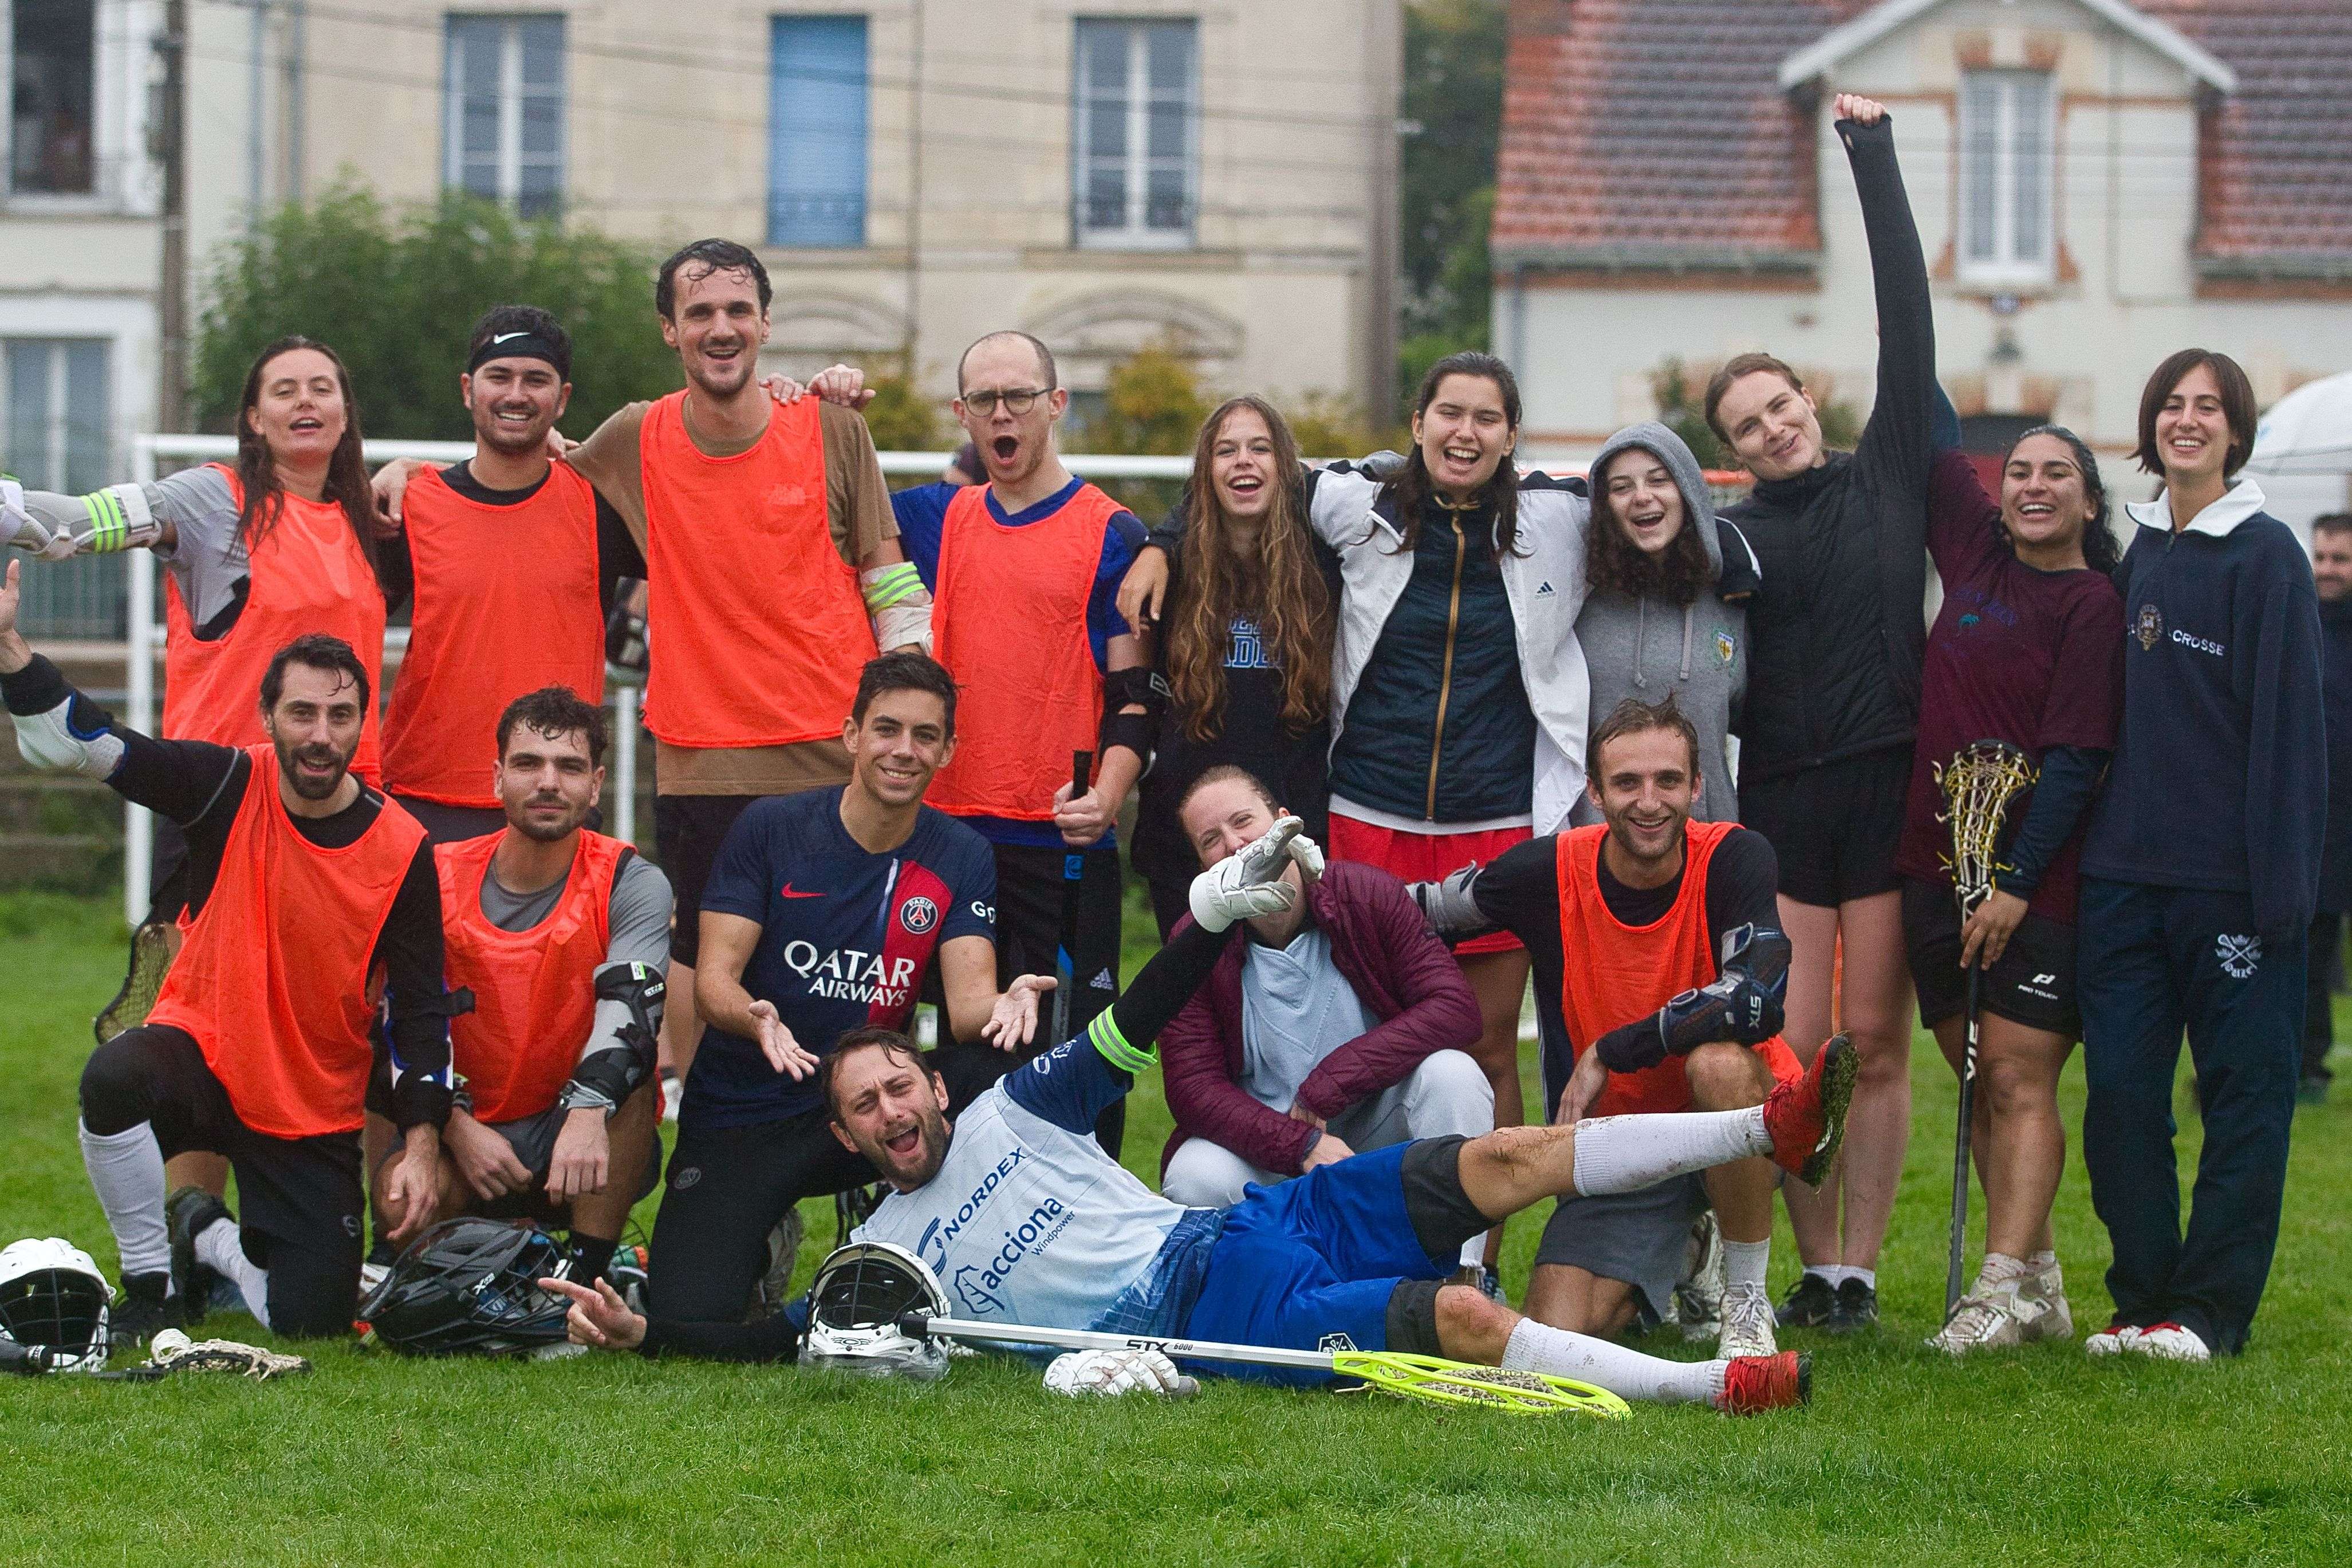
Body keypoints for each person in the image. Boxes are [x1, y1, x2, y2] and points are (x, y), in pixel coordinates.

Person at [544, 815, 1857, 1419]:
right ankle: (1710, 1387)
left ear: (933, 1088)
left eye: (898, 1082)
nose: (892, 1108)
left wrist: (1213, 914)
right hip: (1197, 1318)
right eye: (865, 1105)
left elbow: (1142, 1008)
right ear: (848, 1140)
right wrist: (642, 1331)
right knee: (1457, 1316)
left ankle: (1766, 1132)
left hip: (1246, 1222)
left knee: (1504, 1154)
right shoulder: (884, 1266)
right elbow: (766, 1344)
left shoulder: (1018, 1106)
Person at [1122, 353, 1592, 1212]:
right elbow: (1247, 471)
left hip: (1494, 811)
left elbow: (1653, 505)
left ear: (1511, 436)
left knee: (1482, 1047)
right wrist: (1160, 540)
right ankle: (1310, 1196)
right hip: (1367, 808)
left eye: (1486, 417)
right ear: (1415, 425)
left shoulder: (1559, 516)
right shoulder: (1354, 503)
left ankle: (1471, 1260)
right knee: (1335, 1014)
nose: (1465, 431)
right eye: (1448, 412)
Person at [471, 240, 925, 1097]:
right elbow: (537, 464)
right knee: (703, 950)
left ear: (764, 323)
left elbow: (889, 576)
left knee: (849, 959)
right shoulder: (635, 436)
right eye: (699, 313)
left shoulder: (831, 425)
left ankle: (860, 1141)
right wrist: (396, 475)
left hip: (835, 749)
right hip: (700, 750)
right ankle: (714, 1139)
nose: (721, 328)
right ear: (670, 332)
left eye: (737, 311)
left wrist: (910, 706)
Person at [0, 576, 452, 1343]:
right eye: (302, 712)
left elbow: (420, 1008)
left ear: (361, 725)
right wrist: (12, 650)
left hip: (311, 1103)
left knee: (308, 1322)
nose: (320, 733)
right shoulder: (223, 783)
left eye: (340, 715)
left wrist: (422, 1141)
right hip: (203, 1058)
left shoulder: (404, 847)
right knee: (113, 1077)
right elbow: (89, 743)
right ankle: (150, 1282)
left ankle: (202, 1228)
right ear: (267, 715)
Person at [1700, 96, 1937, 1331]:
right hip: (1784, 798)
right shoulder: (1732, 536)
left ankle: (1858, 1268)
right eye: (1745, 425)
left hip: (1888, 788)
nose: (1771, 426)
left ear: (1809, 399)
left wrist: (1870, 153)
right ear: (1729, 451)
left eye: (1780, 405)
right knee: (1792, 1050)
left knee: (1873, 1039)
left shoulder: (1888, 470)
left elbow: (1908, 313)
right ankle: (1809, 1262)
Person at [648, 652, 1048, 1325]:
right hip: (748, 1107)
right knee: (689, 1318)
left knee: (1011, 1068)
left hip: (868, 1106)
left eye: (926, 736)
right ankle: (766, 1231)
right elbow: (713, 981)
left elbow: (969, 1003)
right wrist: (755, 1018)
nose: (904, 750)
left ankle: (952, 1239)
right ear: (852, 734)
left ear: (948, 749)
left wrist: (1008, 1003)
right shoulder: (770, 828)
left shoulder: (961, 853)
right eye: (887, 729)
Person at [1408, 696, 1803, 1361]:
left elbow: (1758, 997)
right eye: (1626, 783)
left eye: (1668, 781)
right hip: (1616, 1147)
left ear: (1697, 786)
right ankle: (1686, 1250)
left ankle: (1746, 1300)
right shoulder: (1549, 869)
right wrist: (1308, 887)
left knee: (1719, 1063)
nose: (1649, 801)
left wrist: (1616, 1047)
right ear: (1593, 791)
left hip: (1741, 1122)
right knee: (1556, 1335)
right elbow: (1422, 909)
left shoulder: (1737, 855)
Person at [2075, 349, 2327, 1363]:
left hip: (2231, 889)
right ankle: (2141, 1301)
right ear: (2150, 425)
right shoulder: (2133, 555)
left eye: (2207, 408)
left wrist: (2284, 892)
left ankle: (2209, 1312)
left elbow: (2290, 736)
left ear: (2234, 432)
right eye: (2170, 405)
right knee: (2123, 1101)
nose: (2186, 420)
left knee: (2241, 1103)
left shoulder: (2267, 556)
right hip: (2120, 882)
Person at [880, 332, 1154, 1152]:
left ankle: (1089, 1227)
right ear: (961, 414)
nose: (1002, 414)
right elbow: (823, 503)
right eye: (984, 401)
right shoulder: (935, 517)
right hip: (950, 836)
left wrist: (1105, 795)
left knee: (1080, 1051)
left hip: (1061, 839)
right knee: (954, 1054)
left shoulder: (1110, 530)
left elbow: (1137, 697)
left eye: (1020, 397)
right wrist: (830, 409)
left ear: (1055, 404)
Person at [1898, 434, 2123, 1354]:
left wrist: (2015, 886)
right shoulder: (1975, 560)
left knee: (2016, 1077)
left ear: (2089, 503)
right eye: (2018, 472)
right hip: (1930, 871)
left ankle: (1993, 1290)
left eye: (2055, 473)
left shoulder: (2092, 605)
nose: (2032, 486)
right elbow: (1922, 406)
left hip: (2036, 887)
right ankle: (2034, 1282)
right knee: (1974, 1080)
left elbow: (2076, 764)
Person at [339, 686, 669, 1297]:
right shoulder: (431, 873)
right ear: (496, 778)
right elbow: (388, 1025)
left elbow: (634, 1012)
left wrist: (589, 1105)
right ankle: (416, 1255)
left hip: (570, 1125)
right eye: (528, 763)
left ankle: (586, 1275)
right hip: (460, 1123)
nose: (549, 782)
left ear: (596, 785)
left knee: (635, 1072)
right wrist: (454, 1125)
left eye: (569, 767)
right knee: (397, 1204)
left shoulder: (632, 879)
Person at [1156, 767, 1492, 1281]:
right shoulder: (1192, 942)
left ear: (1285, 823)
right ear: (1202, 867)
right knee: (1194, 1174)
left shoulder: (1365, 893)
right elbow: (1191, 1089)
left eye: (1243, 821)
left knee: (1453, 1075)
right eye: (1210, 840)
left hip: (1377, 1126)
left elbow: (1454, 1008)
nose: (1233, 844)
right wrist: (1301, 1145)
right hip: (1268, 1142)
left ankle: (1460, 1277)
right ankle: (1262, 1296)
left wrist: (1329, 1085)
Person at [372, 306, 646, 845]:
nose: (516, 394)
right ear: (468, 389)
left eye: (535, 380)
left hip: (555, 797)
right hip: (426, 796)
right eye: (500, 376)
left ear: (562, 398)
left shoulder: (600, 507)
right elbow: (334, 618)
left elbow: (723, 520)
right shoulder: (410, 505)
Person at [1132, 398, 1336, 937]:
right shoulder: (1167, 568)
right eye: (1226, 451)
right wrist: (1160, 543)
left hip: (1293, 820)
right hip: (1189, 830)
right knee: (1196, 1004)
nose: (1243, 461)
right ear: (1206, 473)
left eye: (1259, 448)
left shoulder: (1326, 564)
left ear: (1286, 469)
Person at [1571, 421, 1758, 826]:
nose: (1642, 497)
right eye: (1621, 488)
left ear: (1688, 491)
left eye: (1659, 480)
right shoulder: (1577, 600)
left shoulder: (1733, 594)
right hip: (1597, 845)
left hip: (1706, 843)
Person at [2303, 513, 2352, 1106]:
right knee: (2308, 947)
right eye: (2322, 557)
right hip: (2315, 818)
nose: (2328, 569)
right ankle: (2308, 1061)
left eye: (2339, 559)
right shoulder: (2300, 624)